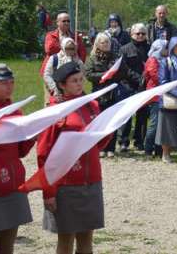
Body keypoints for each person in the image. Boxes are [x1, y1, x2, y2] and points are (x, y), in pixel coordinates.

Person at [37, 62, 111, 254]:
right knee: (66, 242)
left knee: (87, 240)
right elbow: (43, 153)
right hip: (65, 185)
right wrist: (49, 192)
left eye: (81, 80)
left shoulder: (92, 105)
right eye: (74, 81)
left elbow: (98, 144)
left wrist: (108, 131)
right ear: (62, 84)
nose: (80, 84)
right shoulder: (54, 112)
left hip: (91, 181)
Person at [0, 64, 34, 254]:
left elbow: (20, 151)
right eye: (4, 82)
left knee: (7, 246)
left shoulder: (15, 111)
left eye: (12, 82)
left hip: (14, 185)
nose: (10, 86)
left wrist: (31, 137)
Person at [84, 33, 129, 158]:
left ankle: (111, 148)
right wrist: (104, 75)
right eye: (103, 42)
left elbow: (124, 71)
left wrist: (113, 75)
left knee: (112, 122)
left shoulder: (116, 57)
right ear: (98, 44)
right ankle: (100, 147)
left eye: (108, 42)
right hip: (99, 94)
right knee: (100, 122)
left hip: (113, 94)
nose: (106, 44)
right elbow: (88, 74)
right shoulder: (92, 58)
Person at [118, 23, 150, 152]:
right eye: (138, 33)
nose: (140, 36)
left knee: (142, 116)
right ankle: (124, 141)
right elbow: (123, 68)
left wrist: (145, 80)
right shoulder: (124, 49)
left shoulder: (150, 48)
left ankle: (139, 141)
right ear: (132, 34)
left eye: (143, 33)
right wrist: (138, 78)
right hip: (128, 86)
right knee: (127, 115)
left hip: (145, 87)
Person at [40, 12, 87, 83]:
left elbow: (83, 53)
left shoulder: (75, 37)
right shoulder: (50, 35)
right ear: (57, 22)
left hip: (70, 71)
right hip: (53, 69)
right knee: (53, 93)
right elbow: (49, 49)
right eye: (64, 21)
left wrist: (77, 64)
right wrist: (69, 47)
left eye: (68, 21)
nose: (66, 23)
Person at [143, 39, 167, 158]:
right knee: (154, 123)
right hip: (155, 96)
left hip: (163, 95)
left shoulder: (163, 60)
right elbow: (157, 77)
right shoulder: (153, 60)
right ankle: (148, 149)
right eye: (165, 47)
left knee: (160, 124)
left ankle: (158, 149)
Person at [43, 37, 84, 102]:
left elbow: (82, 75)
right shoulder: (54, 58)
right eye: (67, 48)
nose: (70, 51)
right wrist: (54, 88)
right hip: (57, 91)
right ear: (62, 47)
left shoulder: (78, 61)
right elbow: (47, 74)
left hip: (73, 93)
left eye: (72, 49)